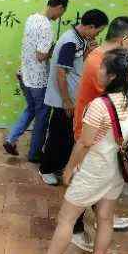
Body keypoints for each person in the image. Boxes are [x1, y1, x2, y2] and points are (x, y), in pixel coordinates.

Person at [18, 49, 128, 254]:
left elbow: (85, 143)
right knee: (105, 218)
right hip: (116, 171)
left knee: (66, 219)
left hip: (94, 170)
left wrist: (69, 169)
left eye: (103, 68)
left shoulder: (100, 105)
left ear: (112, 76)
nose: (99, 70)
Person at [70, 17, 128, 252]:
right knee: (82, 179)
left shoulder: (109, 59)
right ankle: (76, 228)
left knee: (99, 177)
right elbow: (117, 97)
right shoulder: (100, 62)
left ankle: (104, 214)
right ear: (125, 39)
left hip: (101, 130)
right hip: (89, 128)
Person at [39, 9, 109, 186]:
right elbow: (61, 73)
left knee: (66, 136)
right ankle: (46, 169)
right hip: (64, 99)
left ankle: (58, 166)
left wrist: (88, 53)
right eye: (98, 31)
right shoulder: (70, 42)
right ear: (90, 26)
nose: (97, 35)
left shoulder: (79, 39)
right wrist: (66, 100)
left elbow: (76, 65)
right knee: (57, 135)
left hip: (71, 97)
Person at [3, 0, 69, 161]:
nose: (60, 16)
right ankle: (34, 154)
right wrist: (54, 50)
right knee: (42, 116)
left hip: (24, 74)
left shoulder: (32, 18)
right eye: (62, 12)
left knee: (31, 109)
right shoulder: (46, 27)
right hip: (38, 79)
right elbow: (41, 56)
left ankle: (11, 139)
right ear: (59, 7)